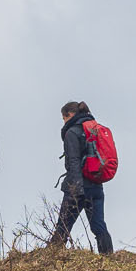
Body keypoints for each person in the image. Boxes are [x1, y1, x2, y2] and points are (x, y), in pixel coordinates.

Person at [48, 100, 114, 254]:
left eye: (63, 118)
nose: (63, 122)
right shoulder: (94, 129)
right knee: (98, 226)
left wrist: (75, 188)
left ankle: (49, 259)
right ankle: (109, 257)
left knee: (63, 227)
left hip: (78, 187)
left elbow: (73, 161)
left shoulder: (72, 132)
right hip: (96, 185)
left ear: (69, 115)